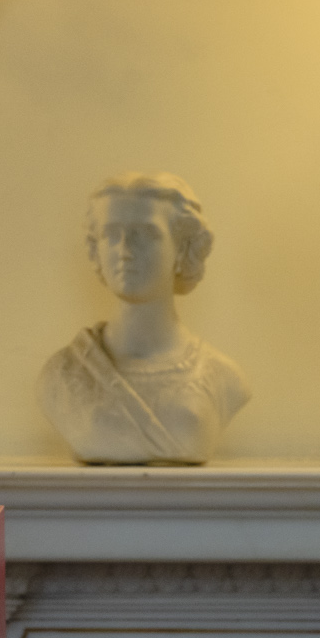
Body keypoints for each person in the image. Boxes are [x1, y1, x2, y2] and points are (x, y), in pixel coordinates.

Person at [36, 172, 249, 464]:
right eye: (111, 234)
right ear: (95, 248)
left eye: (145, 234)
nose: (124, 250)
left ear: (182, 248)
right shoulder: (62, 375)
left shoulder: (223, 377)